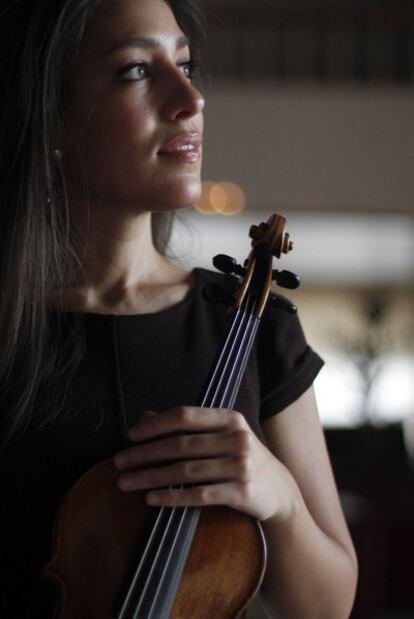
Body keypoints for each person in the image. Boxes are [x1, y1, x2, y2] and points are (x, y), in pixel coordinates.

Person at [0, 0, 358, 617]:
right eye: (136, 70)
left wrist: (281, 499)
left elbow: (327, 606)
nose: (190, 99)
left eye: (186, 63)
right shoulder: (10, 336)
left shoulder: (257, 329)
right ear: (52, 116)